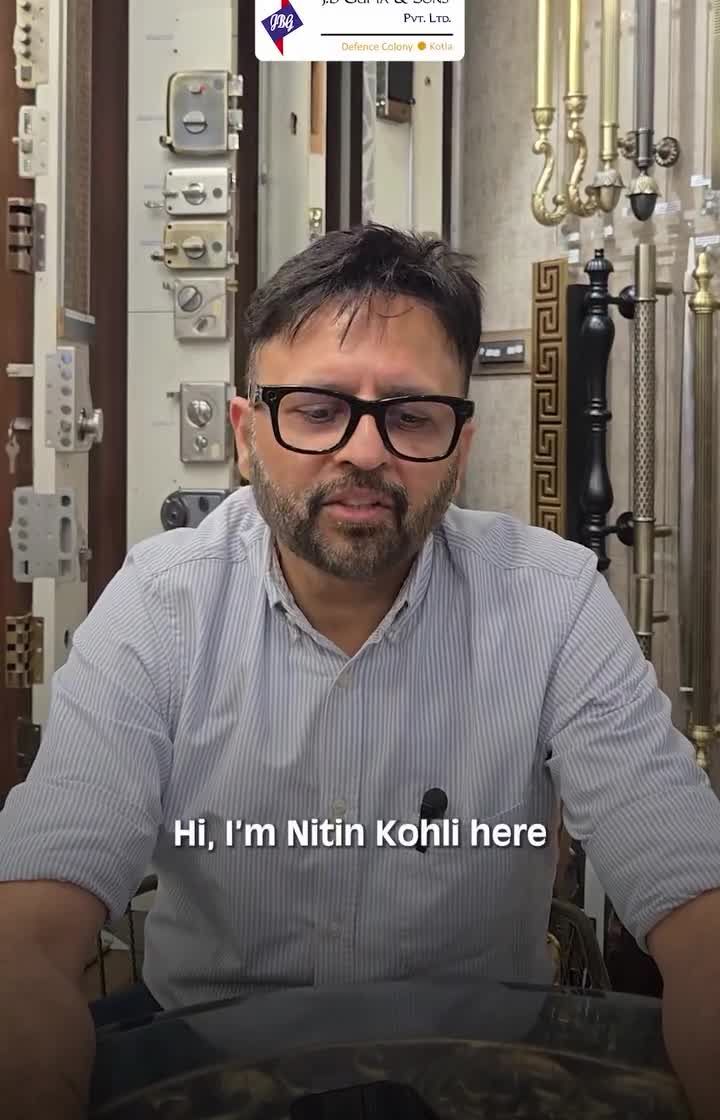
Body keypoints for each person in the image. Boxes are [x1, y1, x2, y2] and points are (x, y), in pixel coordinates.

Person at [1, 224, 720, 1118]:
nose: (366, 452)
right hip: (210, 1070)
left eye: (411, 416)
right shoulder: (159, 607)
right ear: (246, 434)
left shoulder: (554, 602)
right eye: (316, 409)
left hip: (479, 1081)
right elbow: (28, 934)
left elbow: (696, 898)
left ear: (459, 445)